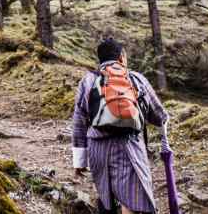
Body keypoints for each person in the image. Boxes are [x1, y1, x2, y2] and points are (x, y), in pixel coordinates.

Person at [71, 38, 169, 214]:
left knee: (106, 195)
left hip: (97, 149)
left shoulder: (88, 80)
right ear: (121, 57)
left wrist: (79, 161)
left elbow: (79, 121)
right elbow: (159, 115)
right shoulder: (136, 78)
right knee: (130, 198)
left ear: (100, 59)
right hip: (129, 146)